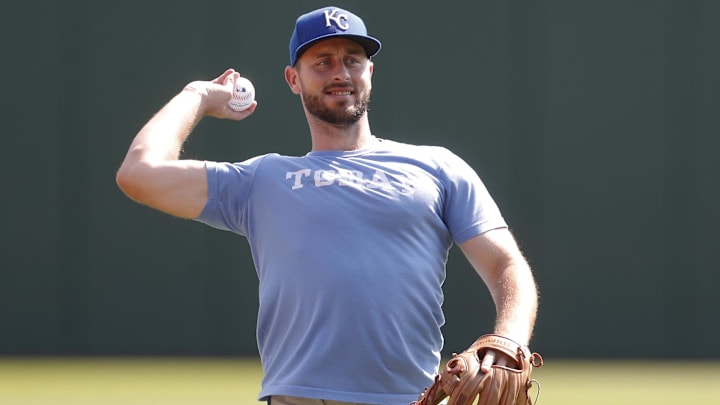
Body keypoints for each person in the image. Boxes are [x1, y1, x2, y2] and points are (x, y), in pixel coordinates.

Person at [116, 6, 538, 405]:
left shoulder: (437, 166)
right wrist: (197, 95)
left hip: (410, 397)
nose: (341, 72)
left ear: (369, 72)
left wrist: (510, 340)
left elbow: (507, 266)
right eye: (322, 62)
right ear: (293, 79)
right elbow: (138, 174)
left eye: (352, 60)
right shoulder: (261, 180)